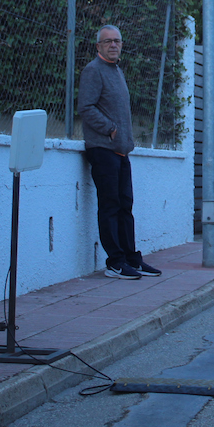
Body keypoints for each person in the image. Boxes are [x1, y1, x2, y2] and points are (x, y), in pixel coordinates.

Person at [78, 25, 162, 280]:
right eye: (108, 41)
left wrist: (123, 138)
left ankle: (131, 259)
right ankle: (115, 263)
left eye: (117, 41)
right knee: (110, 206)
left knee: (125, 206)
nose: (113, 45)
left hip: (121, 151)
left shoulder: (117, 71)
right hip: (103, 149)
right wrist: (111, 129)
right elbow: (86, 108)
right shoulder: (93, 70)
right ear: (98, 46)